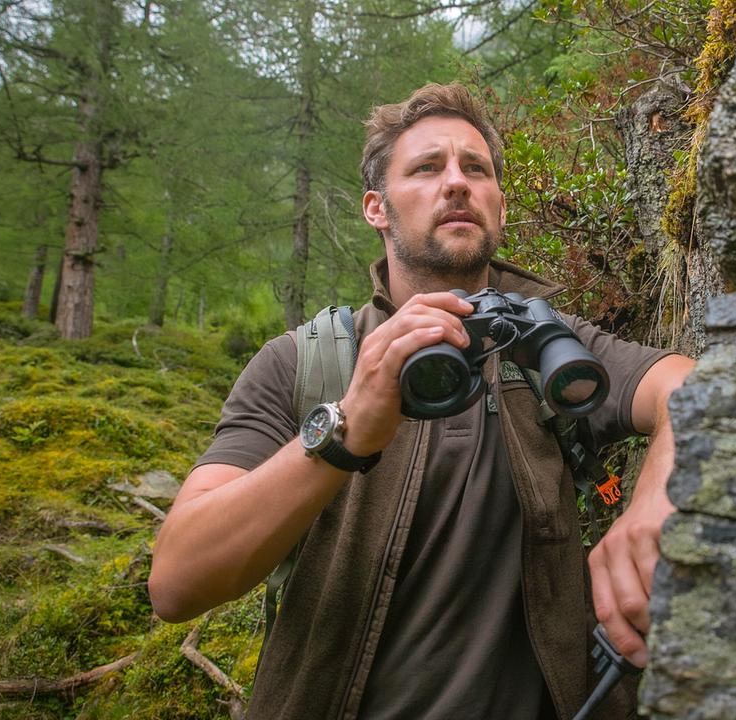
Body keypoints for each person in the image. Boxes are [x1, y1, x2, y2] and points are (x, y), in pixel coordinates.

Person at [148, 83, 695, 719]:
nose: (457, 183)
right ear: (376, 208)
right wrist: (342, 434)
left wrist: (654, 499)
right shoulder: (301, 364)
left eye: (477, 168)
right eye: (427, 167)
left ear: (501, 207)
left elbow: (694, 388)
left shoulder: (552, 348)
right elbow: (177, 582)